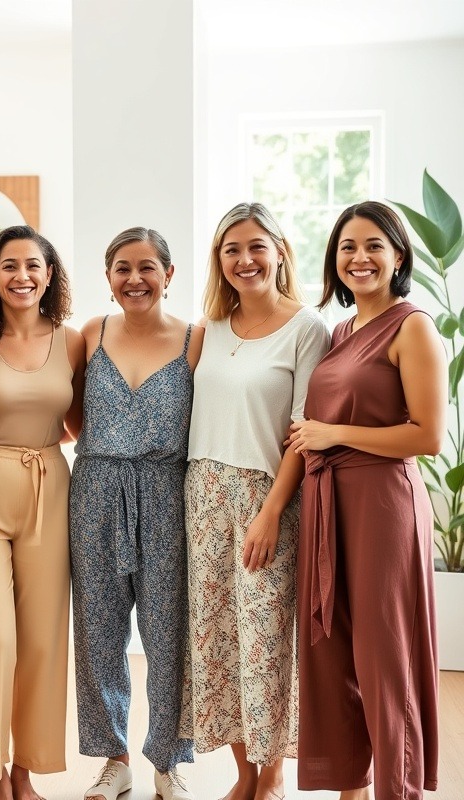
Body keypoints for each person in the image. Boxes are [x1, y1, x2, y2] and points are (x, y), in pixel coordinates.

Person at [288, 201, 444, 800]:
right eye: (348, 247)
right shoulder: (339, 331)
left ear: (398, 256)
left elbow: (427, 436)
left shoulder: (414, 326)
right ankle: (351, 787)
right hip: (330, 503)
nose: (360, 258)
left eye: (374, 245)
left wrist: (335, 434)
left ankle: (399, 789)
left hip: (383, 504)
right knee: (334, 648)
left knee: (386, 655)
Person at [180, 203, 330, 800]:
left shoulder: (307, 329)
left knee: (266, 639)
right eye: (231, 250)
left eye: (256, 247)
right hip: (202, 495)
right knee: (217, 637)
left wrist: (269, 512)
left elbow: (303, 428)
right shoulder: (208, 328)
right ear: (219, 261)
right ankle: (243, 774)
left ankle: (271, 777)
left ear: (280, 252)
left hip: (266, 498)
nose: (245, 260)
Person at [0, 224, 85, 800]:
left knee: (43, 639)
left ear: (50, 275)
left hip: (51, 485)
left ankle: (25, 772)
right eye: (9, 266)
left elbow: (78, 425)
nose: (22, 276)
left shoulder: (73, 341)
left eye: (33, 266)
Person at [69, 227, 203, 800]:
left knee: (168, 631)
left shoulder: (197, 339)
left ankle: (168, 762)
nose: (135, 279)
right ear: (108, 278)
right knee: (98, 631)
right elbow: (72, 414)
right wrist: (109, 451)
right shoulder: (90, 333)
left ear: (168, 275)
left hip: (166, 493)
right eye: (122, 268)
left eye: (147, 267)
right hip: (95, 489)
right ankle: (113, 758)